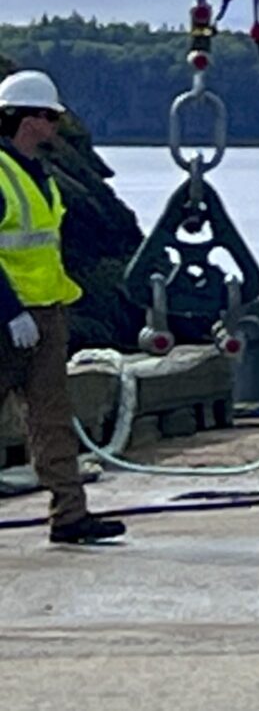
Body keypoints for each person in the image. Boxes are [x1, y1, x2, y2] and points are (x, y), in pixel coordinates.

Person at [0, 69, 124, 545]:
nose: (55, 125)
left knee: (52, 418)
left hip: (47, 313)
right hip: (7, 318)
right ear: (26, 119)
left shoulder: (40, 175)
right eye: (49, 116)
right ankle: (69, 512)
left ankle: (70, 514)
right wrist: (10, 311)